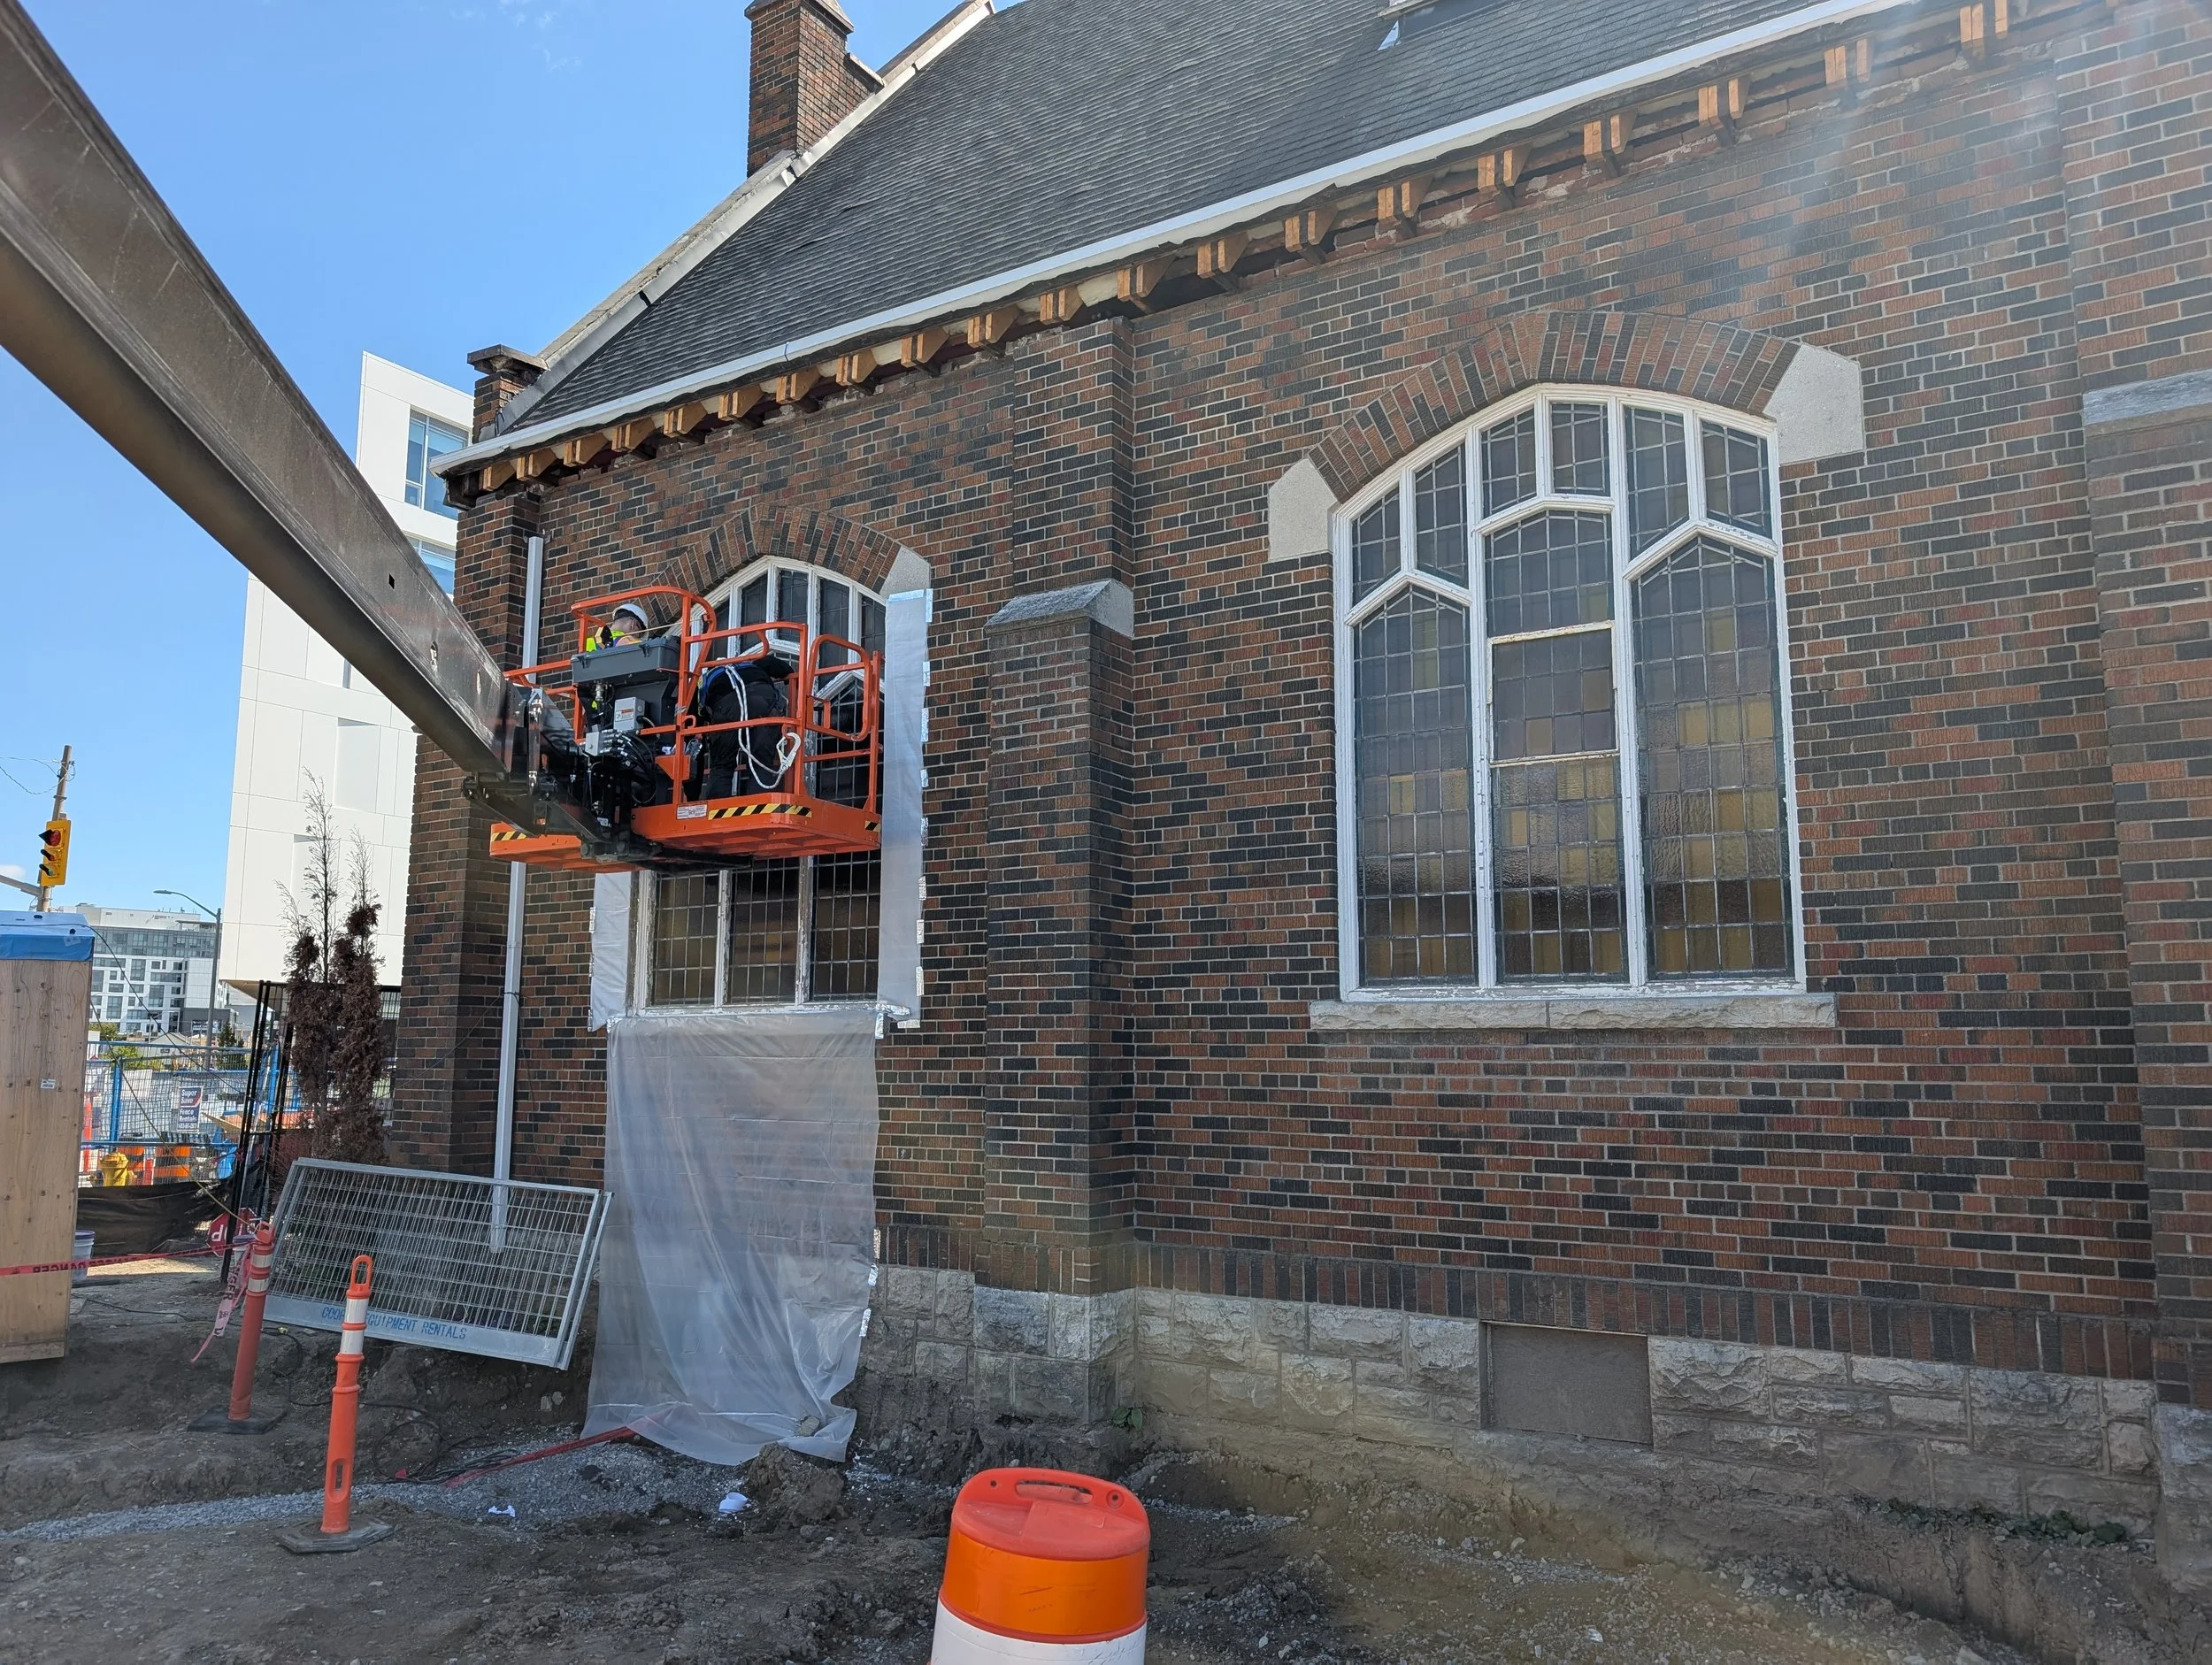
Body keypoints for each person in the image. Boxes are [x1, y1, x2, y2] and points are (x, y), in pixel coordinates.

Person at [584, 602, 652, 653]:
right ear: (633, 624)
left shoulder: (586, 643)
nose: (637, 637)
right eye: (638, 634)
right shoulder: (630, 641)